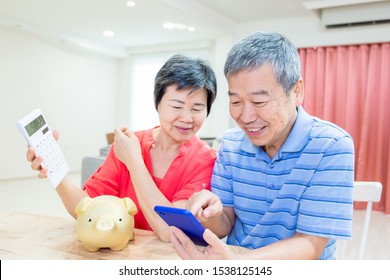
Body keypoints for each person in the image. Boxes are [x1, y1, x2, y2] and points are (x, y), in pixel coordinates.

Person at [169, 31, 355, 260]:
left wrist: (235, 265)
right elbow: (224, 224)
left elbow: (309, 244)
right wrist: (210, 213)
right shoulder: (232, 144)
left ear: (296, 92)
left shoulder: (331, 146)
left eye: (259, 101)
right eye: (236, 101)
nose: (245, 116)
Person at [26, 54, 217, 242]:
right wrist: (54, 169)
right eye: (176, 106)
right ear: (156, 101)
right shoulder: (130, 143)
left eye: (197, 108)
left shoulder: (205, 159)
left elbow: (171, 231)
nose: (186, 117)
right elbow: (86, 210)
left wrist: (134, 162)